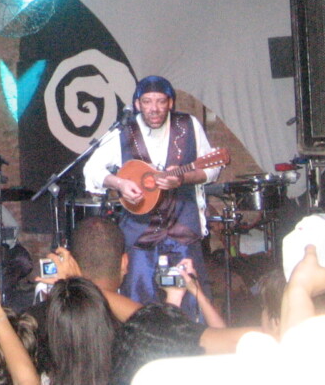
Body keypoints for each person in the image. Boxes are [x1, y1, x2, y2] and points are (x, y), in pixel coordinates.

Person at [82, 75, 221, 312]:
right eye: (147, 101)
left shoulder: (188, 125)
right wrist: (120, 183)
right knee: (139, 303)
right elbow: (92, 169)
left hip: (182, 230)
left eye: (160, 101)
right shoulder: (123, 130)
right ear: (137, 104)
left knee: (190, 302)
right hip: (139, 233)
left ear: (170, 103)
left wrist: (183, 178)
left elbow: (212, 168)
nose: (154, 108)